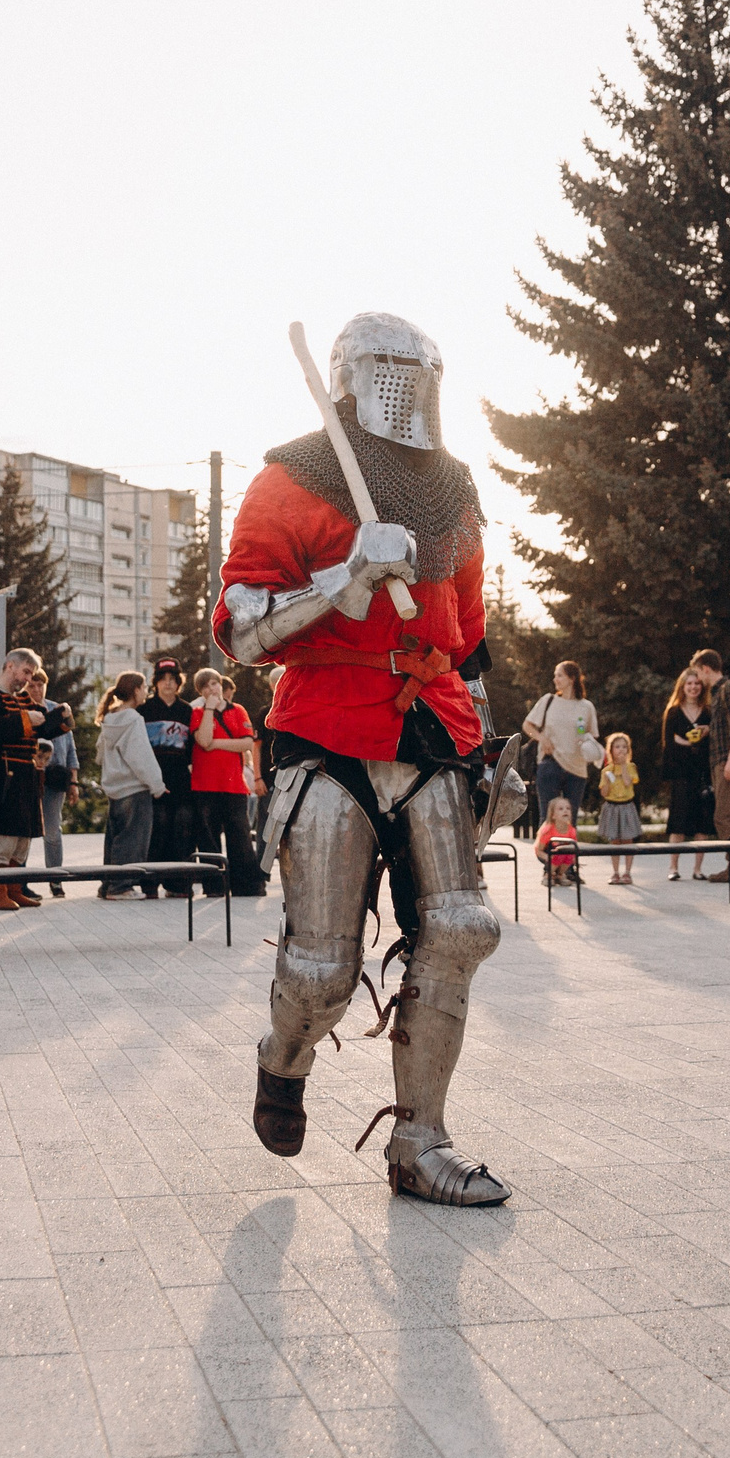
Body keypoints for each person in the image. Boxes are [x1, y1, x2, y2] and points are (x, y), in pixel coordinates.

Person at [216, 310, 513, 1206]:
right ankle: (285, 1056)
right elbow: (238, 630)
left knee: (460, 929)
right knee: (320, 970)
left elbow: (467, 636)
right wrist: (342, 581)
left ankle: (421, 1141)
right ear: (351, 377)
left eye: (420, 374)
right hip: (327, 729)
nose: (408, 391)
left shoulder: (453, 489)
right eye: (393, 373)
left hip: (434, 731)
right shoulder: (288, 477)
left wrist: (472, 729)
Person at [0, 649, 68, 909]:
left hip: (27, 777)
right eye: (25, 672)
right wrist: (25, 720)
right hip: (2, 776)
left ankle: (14, 889)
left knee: (21, 841)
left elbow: (44, 726)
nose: (27, 680)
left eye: (31, 675)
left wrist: (61, 719)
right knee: (2, 839)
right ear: (10, 666)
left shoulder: (24, 699)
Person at [191, 669, 267, 897]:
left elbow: (245, 744)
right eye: (205, 687)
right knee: (209, 839)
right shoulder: (197, 712)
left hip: (233, 785)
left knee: (240, 837)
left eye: (214, 683)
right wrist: (210, 710)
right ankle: (213, 887)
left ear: (221, 684)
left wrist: (216, 744)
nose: (211, 689)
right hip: (205, 785)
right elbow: (203, 740)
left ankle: (247, 886)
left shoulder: (238, 710)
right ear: (201, 693)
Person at [94, 671, 162, 899]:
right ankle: (120, 887)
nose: (146, 692)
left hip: (114, 790)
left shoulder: (110, 718)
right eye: (143, 687)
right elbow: (141, 757)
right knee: (133, 839)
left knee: (115, 838)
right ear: (135, 690)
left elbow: (99, 755)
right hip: (134, 788)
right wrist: (157, 785)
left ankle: (107, 885)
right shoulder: (133, 718)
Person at [136, 658, 201, 896]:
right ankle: (150, 883)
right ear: (155, 683)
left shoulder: (186, 710)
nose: (168, 684)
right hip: (153, 778)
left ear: (179, 683)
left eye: (172, 680)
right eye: (163, 680)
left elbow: (193, 746)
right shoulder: (143, 711)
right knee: (157, 826)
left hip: (181, 778)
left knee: (183, 827)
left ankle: (179, 884)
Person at [694, 650, 730, 882]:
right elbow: (729, 724)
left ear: (706, 668)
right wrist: (708, 730)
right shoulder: (718, 693)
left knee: (724, 815)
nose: (698, 678)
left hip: (729, 760)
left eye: (698, 672)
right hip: (721, 759)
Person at [520, 661, 603, 821]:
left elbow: (592, 735)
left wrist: (588, 746)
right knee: (548, 818)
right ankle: (546, 846)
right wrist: (542, 738)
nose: (555, 679)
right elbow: (527, 725)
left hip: (577, 768)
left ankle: (568, 846)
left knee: (570, 820)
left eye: (559, 675)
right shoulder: (548, 701)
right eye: (555, 676)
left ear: (571, 678)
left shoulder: (586, 707)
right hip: (550, 764)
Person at [661, 666, 718, 879]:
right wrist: (687, 742)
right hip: (681, 774)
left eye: (697, 683)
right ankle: (673, 867)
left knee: (702, 824)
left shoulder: (709, 712)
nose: (693, 687)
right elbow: (669, 743)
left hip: (702, 774)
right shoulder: (674, 712)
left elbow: (712, 743)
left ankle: (697, 869)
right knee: (678, 823)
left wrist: (706, 732)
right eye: (689, 683)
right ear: (682, 687)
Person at [39, 700, 79, 896]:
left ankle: (55, 878)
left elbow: (71, 751)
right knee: (24, 833)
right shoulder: (27, 708)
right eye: (33, 684)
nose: (36, 688)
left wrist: (73, 783)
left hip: (56, 781)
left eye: (40, 684)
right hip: (32, 778)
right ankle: (17, 881)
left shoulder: (58, 710)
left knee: (53, 830)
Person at [595, 732, 642, 883]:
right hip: (612, 807)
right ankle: (615, 872)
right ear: (611, 750)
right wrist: (608, 779)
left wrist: (623, 766)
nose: (621, 750)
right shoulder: (606, 771)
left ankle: (627, 872)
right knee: (614, 841)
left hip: (627, 806)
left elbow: (629, 782)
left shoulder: (630, 767)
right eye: (617, 747)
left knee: (628, 840)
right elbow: (604, 792)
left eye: (624, 747)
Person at [534, 796, 581, 886]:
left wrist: (575, 859)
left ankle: (560, 875)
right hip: (546, 853)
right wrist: (547, 857)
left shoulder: (571, 830)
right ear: (553, 815)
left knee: (570, 854)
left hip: (560, 853)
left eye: (568, 808)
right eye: (560, 809)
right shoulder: (547, 830)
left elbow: (574, 847)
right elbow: (539, 850)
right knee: (557, 854)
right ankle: (548, 875)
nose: (565, 811)